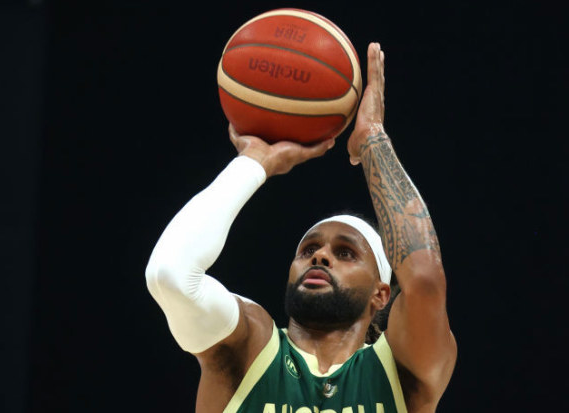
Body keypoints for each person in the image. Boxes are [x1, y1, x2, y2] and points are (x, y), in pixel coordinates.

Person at [146, 42, 457, 413]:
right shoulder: (250, 348)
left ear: (381, 294)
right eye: (308, 250)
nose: (321, 256)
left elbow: (424, 279)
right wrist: (253, 162)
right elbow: (170, 276)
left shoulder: (399, 370)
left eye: (346, 253)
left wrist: (373, 138)